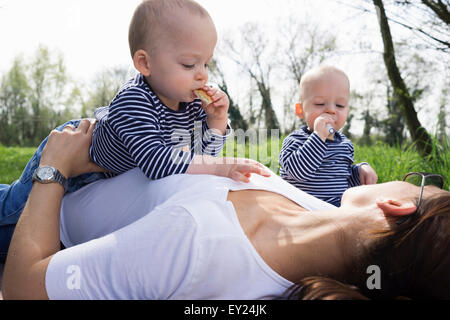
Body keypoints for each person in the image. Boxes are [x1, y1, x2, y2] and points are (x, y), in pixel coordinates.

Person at [3, 119, 449, 300]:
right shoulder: (328, 228)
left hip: (46, 206)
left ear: (396, 206)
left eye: (422, 185)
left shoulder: (200, 242)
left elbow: (22, 287)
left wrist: (54, 169)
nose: (409, 179)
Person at [0, 0, 269, 262]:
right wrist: (221, 167)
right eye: (189, 65)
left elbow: (200, 160)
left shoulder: (190, 104)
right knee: (15, 209)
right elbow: (156, 163)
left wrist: (216, 123)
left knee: (38, 229)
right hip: (73, 150)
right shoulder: (135, 100)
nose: (202, 76)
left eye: (206, 63)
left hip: (104, 177)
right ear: (145, 64)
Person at [279, 65, 378, 207]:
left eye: (340, 105)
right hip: (302, 209)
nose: (331, 110)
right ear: (300, 110)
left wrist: (360, 171)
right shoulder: (295, 140)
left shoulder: (345, 144)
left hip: (338, 208)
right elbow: (299, 173)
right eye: (320, 103)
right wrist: (318, 136)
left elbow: (344, 179)